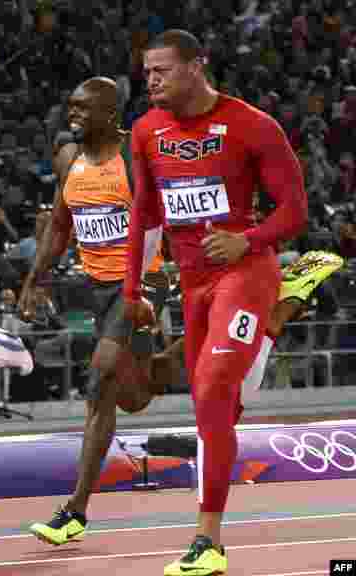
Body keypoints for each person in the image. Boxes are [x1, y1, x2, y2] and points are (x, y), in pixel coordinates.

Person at [121, 30, 307, 576]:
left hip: (245, 270)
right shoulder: (146, 131)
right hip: (193, 283)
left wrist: (247, 239)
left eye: (162, 70)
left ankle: (208, 540)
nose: (150, 79)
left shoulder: (252, 125)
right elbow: (145, 217)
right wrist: (134, 290)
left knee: (212, 386)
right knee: (213, 404)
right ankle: (271, 327)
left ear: (197, 67)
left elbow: (294, 212)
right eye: (146, 71)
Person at [19, 76, 171, 547]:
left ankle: (74, 512)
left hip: (142, 282)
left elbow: (171, 219)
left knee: (98, 382)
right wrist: (33, 280)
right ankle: (183, 357)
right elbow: (60, 226)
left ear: (111, 113)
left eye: (83, 109)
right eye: (71, 107)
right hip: (97, 288)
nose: (73, 115)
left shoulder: (136, 158)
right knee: (133, 397)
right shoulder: (69, 159)